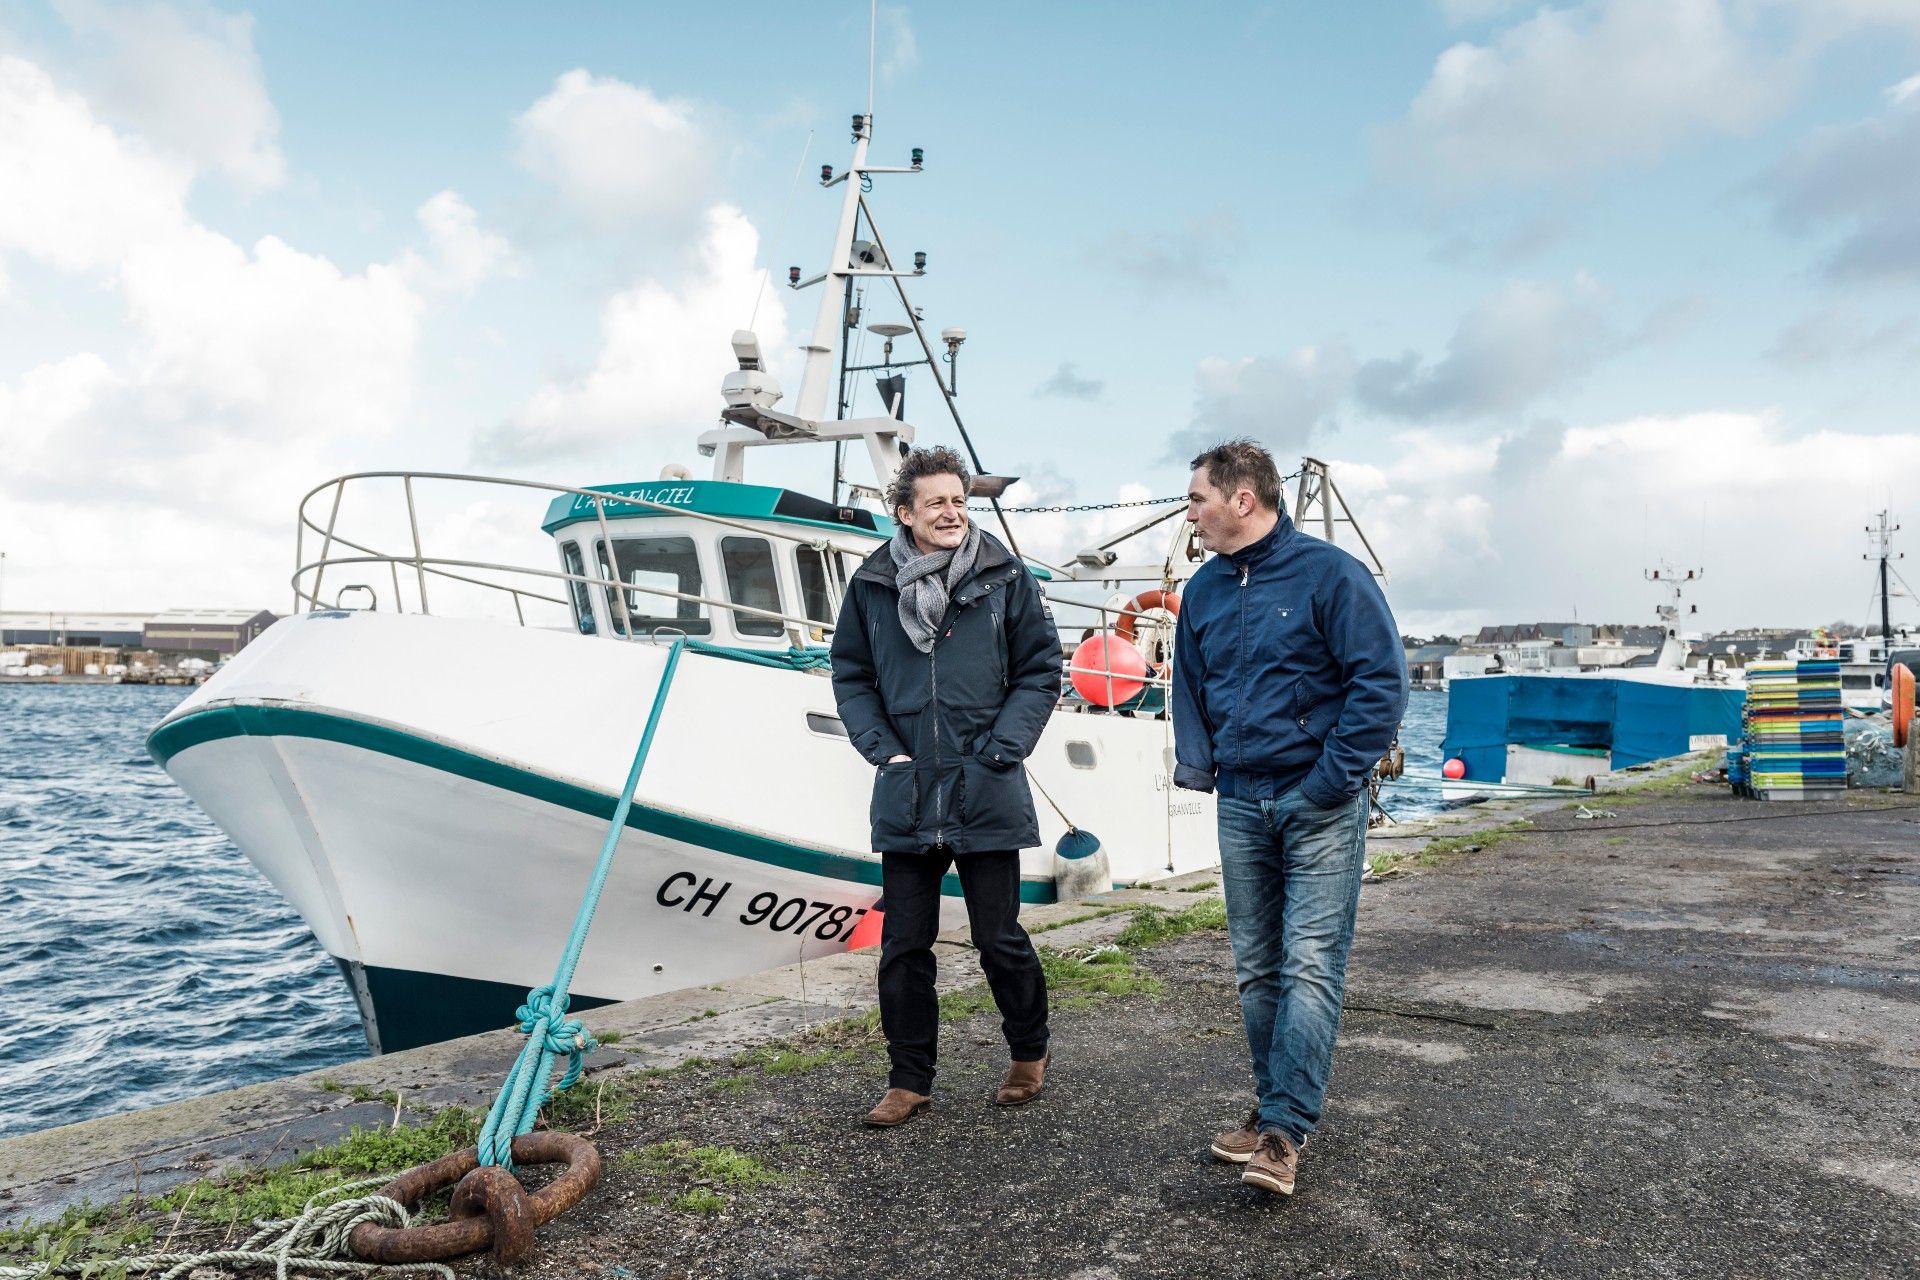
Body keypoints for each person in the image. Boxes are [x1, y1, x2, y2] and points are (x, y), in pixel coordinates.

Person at [1170, 439, 1408, 1195]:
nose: (1191, 512)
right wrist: (1202, 769)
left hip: (1317, 801)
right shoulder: (1204, 591)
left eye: (1198, 498)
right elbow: (1190, 688)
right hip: (1241, 800)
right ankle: (1275, 1104)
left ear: (1243, 500)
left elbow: (1381, 684)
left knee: (1308, 964)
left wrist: (1329, 781)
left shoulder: (1332, 576)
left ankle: (1282, 1133)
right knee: (1256, 972)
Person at [829, 445, 1062, 1127]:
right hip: (907, 790)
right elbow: (852, 676)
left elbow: (1041, 670)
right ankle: (909, 1079)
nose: (952, 512)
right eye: (936, 501)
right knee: (904, 944)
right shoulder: (872, 584)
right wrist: (886, 753)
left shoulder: (1003, 577)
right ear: (904, 513)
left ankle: (1028, 1051)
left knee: (999, 937)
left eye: (959, 500)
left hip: (985, 783)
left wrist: (1001, 751)